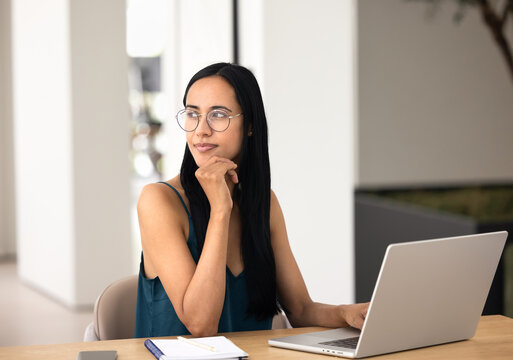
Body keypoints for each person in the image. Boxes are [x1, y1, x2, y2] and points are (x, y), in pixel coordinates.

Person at [134, 62, 369, 338]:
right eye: (192, 114)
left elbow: (300, 310)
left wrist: (346, 313)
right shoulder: (159, 201)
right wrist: (220, 210)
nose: (201, 130)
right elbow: (200, 324)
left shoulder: (264, 204)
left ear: (249, 126)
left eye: (218, 115)